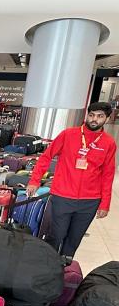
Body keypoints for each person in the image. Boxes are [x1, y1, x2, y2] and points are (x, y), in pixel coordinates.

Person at [27, 101, 116, 258]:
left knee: (74, 239)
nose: (94, 119)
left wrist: (105, 203)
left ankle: (64, 266)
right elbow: (46, 157)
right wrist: (34, 181)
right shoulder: (68, 134)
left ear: (107, 119)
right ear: (87, 116)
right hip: (62, 196)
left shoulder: (109, 143)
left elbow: (108, 174)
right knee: (57, 234)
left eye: (100, 116)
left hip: (90, 200)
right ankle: (45, 262)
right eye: (91, 115)